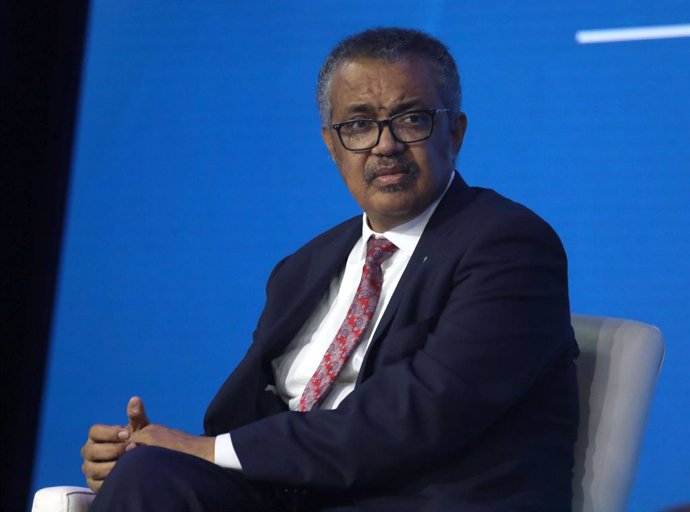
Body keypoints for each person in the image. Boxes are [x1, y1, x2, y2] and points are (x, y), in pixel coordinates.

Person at [81, 27, 579, 511]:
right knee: (149, 475)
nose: (385, 145)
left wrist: (206, 451)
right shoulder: (304, 267)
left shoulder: (507, 246)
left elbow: (415, 417)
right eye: (359, 124)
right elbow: (249, 421)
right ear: (331, 144)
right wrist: (143, 449)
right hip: (289, 494)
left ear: (455, 131)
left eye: (411, 119)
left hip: (415, 497)